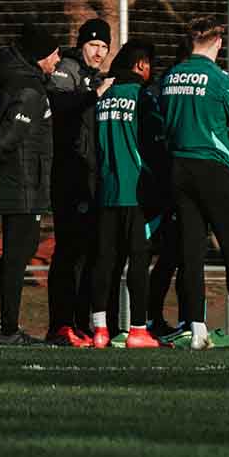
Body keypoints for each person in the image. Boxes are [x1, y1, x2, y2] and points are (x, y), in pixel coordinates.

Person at [161, 16, 229, 350]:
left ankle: (197, 328)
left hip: (178, 167)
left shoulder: (169, 77)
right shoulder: (222, 80)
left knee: (191, 250)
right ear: (218, 43)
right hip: (213, 167)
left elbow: (163, 124)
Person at [0, 22, 59, 346]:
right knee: (17, 255)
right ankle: (8, 329)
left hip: (23, 181)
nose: (57, 60)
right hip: (22, 183)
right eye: (54, 54)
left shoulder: (21, 83)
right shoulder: (29, 90)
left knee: (18, 253)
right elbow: (7, 138)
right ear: (40, 56)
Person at [90, 39, 165, 349]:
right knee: (138, 258)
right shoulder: (141, 97)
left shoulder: (103, 96)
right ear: (141, 65)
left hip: (107, 190)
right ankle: (138, 329)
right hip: (135, 190)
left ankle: (100, 329)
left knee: (104, 259)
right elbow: (154, 144)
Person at [45, 18, 112, 346]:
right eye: (93, 45)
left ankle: (81, 323)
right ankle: (60, 324)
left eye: (104, 47)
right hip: (68, 174)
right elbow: (58, 105)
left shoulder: (96, 77)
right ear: (81, 44)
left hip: (92, 175)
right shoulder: (67, 70)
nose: (99, 52)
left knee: (89, 251)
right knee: (68, 251)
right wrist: (93, 94)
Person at [144, 35, 192, 339]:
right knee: (169, 254)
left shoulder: (163, 87)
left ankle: (182, 319)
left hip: (173, 181)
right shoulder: (163, 91)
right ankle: (152, 319)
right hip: (164, 185)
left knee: (178, 254)